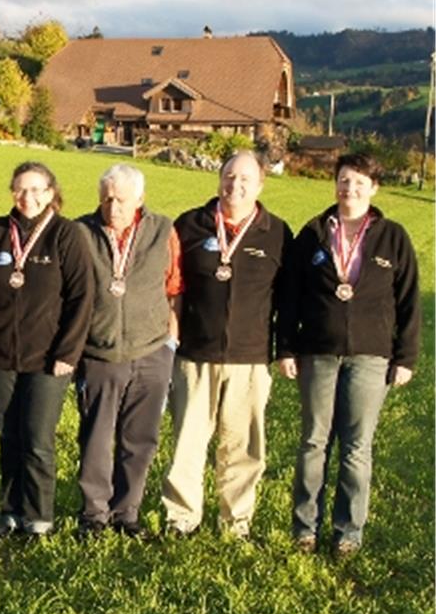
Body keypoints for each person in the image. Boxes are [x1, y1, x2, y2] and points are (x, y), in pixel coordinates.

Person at [276, 152, 419, 557]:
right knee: (313, 443)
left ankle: (348, 533)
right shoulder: (313, 234)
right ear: (335, 184)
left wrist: (405, 358)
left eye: (359, 182)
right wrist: (285, 347)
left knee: (357, 448)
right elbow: (290, 297)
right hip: (317, 353)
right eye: (343, 180)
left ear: (374, 188)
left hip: (371, 357)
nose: (349, 189)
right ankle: (305, 529)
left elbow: (409, 301)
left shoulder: (393, 237)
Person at [161, 150, 292, 539]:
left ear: (261, 185)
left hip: (249, 358)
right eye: (229, 176)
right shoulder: (190, 224)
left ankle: (236, 522)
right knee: (187, 442)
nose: (236, 185)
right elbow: (172, 286)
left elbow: (288, 299)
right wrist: (171, 335)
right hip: (194, 354)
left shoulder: (276, 232)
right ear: (219, 178)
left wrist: (284, 349)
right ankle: (182, 518)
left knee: (242, 446)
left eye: (245, 179)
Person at [0, 161, 92, 539]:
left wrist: (67, 353)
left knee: (37, 439)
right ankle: (11, 511)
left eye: (37, 189)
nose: (28, 197)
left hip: (47, 359)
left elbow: (82, 297)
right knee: (8, 436)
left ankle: (39, 516)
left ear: (51, 193)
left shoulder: (66, 234)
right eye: (21, 189)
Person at [74, 163, 181, 539]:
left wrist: (170, 343)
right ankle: (94, 513)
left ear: (140, 199)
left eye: (121, 199)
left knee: (141, 439)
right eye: (106, 199)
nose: (113, 207)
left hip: (151, 351)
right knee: (96, 439)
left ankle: (126, 513)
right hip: (100, 353)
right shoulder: (81, 232)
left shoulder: (162, 230)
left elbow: (175, 286)